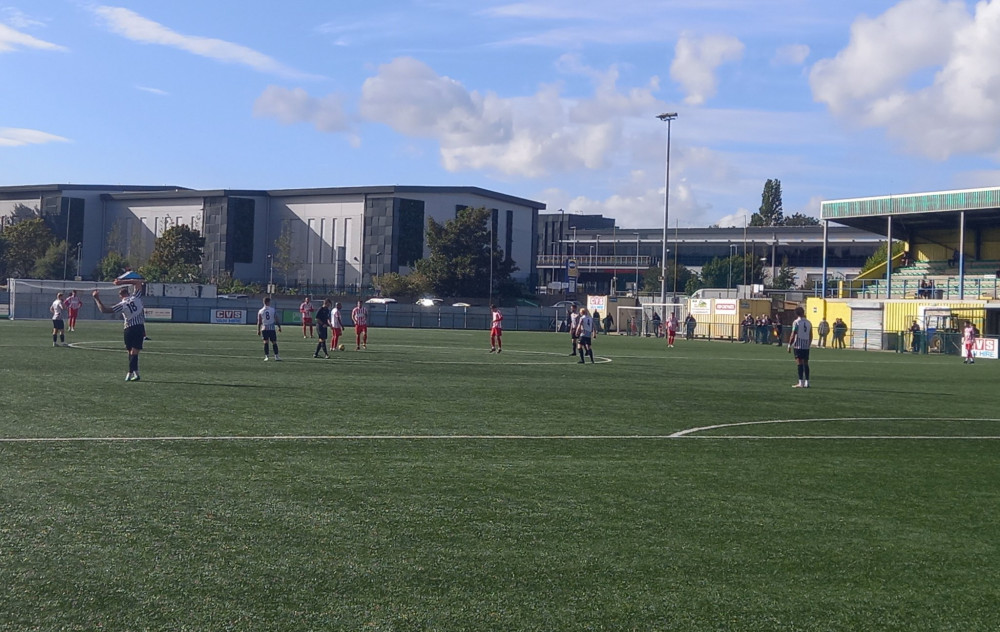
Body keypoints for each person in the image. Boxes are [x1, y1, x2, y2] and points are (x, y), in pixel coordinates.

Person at [92, 277, 147, 380]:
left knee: (130, 352)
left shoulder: (122, 304)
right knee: (134, 352)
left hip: (129, 329)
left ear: (121, 296)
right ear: (128, 293)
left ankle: (131, 373)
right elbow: (138, 282)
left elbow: (104, 310)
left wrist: (97, 298)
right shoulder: (136, 297)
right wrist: (121, 282)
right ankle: (135, 373)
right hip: (139, 327)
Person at [788, 306, 813, 388]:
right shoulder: (809, 322)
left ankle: (800, 382)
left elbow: (793, 334)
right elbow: (811, 335)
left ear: (796, 314)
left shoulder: (796, 322)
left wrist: (789, 345)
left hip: (798, 345)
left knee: (799, 363)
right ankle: (807, 382)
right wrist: (808, 344)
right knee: (806, 363)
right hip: (806, 346)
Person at [257, 296, 282, 361]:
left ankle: (266, 356)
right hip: (271, 328)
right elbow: (276, 319)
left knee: (266, 342)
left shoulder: (260, 311)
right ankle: (276, 356)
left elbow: (259, 321)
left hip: (264, 328)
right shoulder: (272, 309)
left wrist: (258, 330)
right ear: (269, 302)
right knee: (274, 342)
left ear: (263, 302)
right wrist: (279, 327)